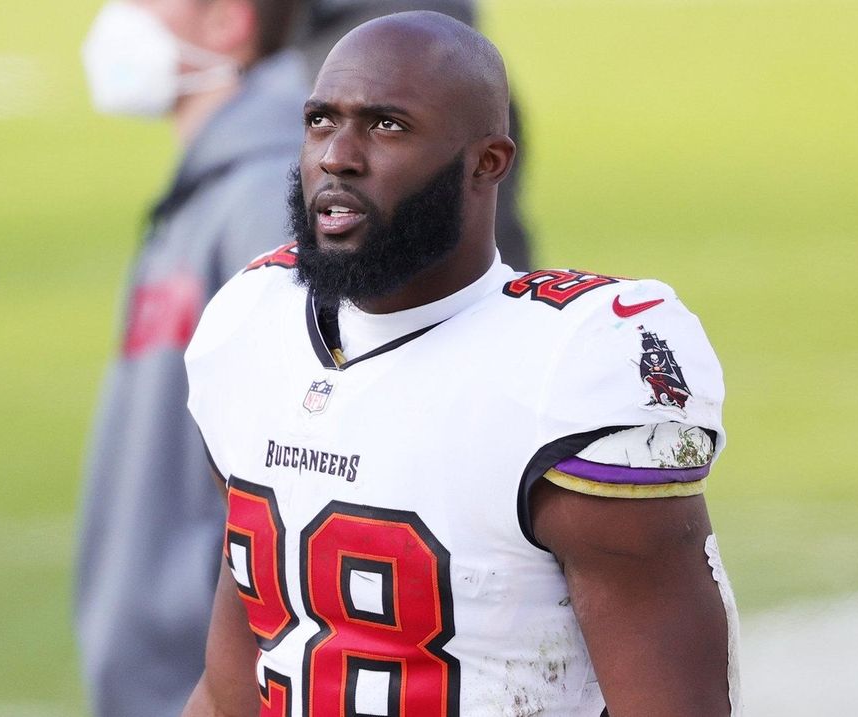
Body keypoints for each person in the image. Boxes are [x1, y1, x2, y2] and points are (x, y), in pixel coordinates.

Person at [182, 11, 739, 717]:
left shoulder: (567, 370)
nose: (338, 156)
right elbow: (234, 685)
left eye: (387, 126)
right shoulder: (250, 323)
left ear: (488, 163)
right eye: (322, 121)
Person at [73, 2, 534, 715]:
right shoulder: (219, 190)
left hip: (248, 675)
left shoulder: (273, 200)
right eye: (322, 123)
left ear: (228, 20)